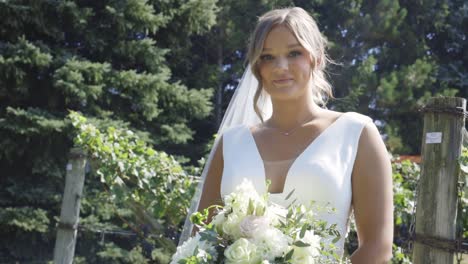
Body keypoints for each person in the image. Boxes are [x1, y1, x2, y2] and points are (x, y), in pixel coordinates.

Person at [181, 7, 393, 263]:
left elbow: (377, 247)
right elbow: (201, 241)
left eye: (294, 53)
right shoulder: (231, 143)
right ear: (257, 67)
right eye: (268, 57)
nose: (280, 67)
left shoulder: (357, 134)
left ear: (316, 58)